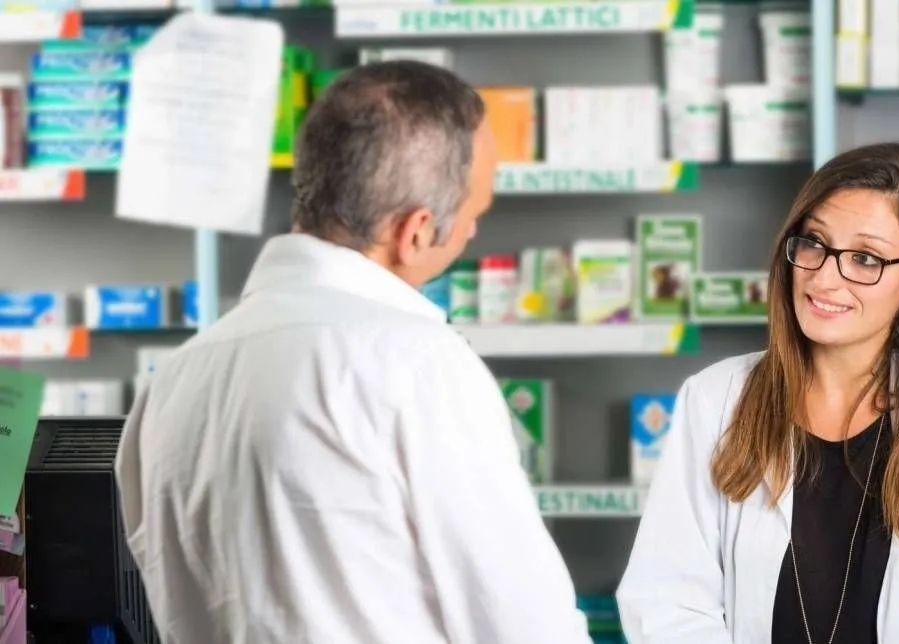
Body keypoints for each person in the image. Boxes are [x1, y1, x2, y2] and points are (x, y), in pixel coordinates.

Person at [114, 61, 592, 644]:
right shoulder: (416, 362)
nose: (471, 234)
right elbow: (521, 622)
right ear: (414, 231)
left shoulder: (176, 378)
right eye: (475, 215)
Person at [616, 142, 899, 644]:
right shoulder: (715, 401)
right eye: (814, 243)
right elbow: (668, 600)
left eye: (865, 258)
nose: (823, 277)